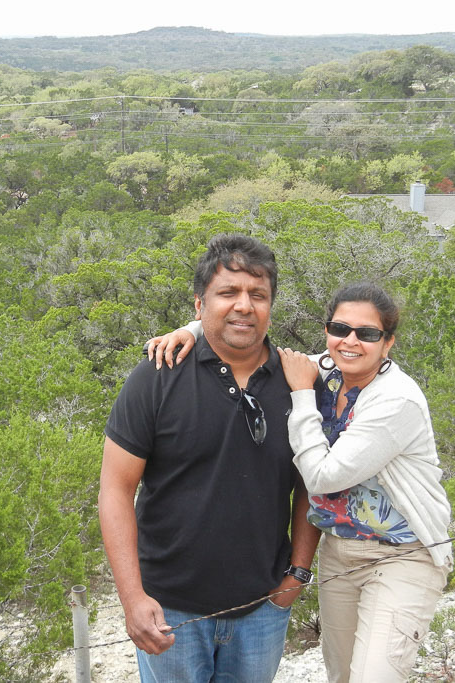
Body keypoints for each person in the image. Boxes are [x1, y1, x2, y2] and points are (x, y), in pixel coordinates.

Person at [150, 282, 452, 683]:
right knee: (342, 674)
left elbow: (322, 478)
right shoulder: (325, 369)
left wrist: (301, 394)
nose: (351, 341)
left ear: (388, 343)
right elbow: (247, 343)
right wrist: (192, 330)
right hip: (341, 553)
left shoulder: (396, 400)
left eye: (368, 334)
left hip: (403, 557)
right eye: (339, 328)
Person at [99, 233, 320, 683]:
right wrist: (132, 598)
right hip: (170, 609)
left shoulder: (300, 382)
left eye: (258, 295)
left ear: (271, 306)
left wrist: (296, 575)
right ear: (199, 306)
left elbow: (311, 486)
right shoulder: (156, 377)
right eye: (228, 293)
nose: (244, 305)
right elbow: (115, 490)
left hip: (262, 607)